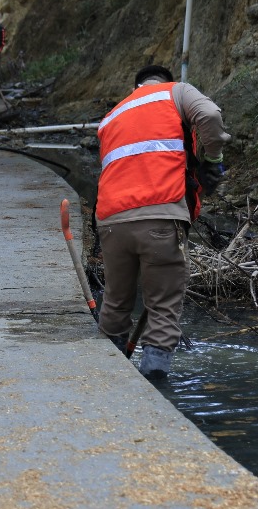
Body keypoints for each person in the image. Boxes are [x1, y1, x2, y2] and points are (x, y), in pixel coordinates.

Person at [94, 64, 229, 382]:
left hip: (111, 222)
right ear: (164, 81)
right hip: (160, 216)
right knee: (163, 305)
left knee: (115, 303)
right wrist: (212, 161)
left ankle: (107, 375)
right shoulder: (176, 91)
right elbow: (209, 115)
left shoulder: (112, 115)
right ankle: (154, 384)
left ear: (135, 85)